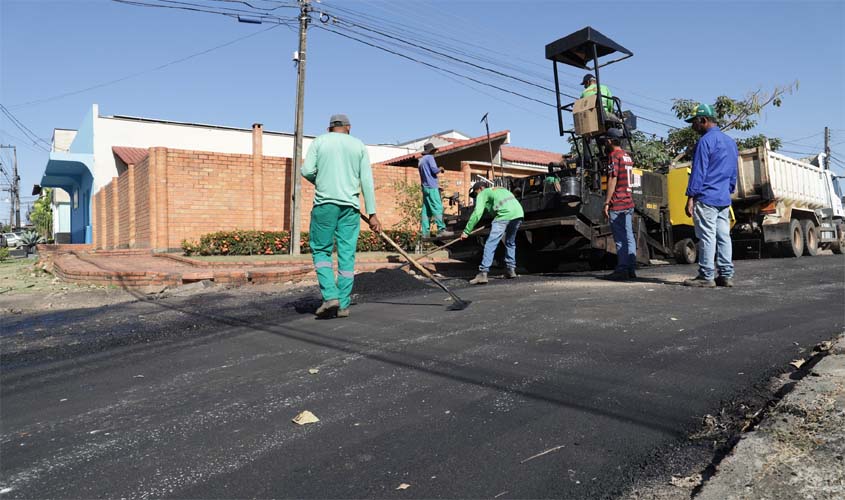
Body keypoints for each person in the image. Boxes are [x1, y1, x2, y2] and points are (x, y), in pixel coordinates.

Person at [301, 114, 382, 319]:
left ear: (329, 128)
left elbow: (306, 170)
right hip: (350, 208)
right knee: (347, 254)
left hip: (325, 205)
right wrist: (372, 214)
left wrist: (321, 181)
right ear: (349, 127)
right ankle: (343, 304)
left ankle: (330, 296)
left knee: (321, 250)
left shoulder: (320, 141)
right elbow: (366, 181)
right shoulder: (358, 145)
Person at [682, 104, 738, 288]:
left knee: (707, 236)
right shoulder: (730, 142)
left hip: (706, 197)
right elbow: (733, 172)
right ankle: (726, 275)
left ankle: (706, 276)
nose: (693, 126)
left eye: (694, 122)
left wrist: (691, 196)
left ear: (704, 120)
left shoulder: (705, 142)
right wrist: (727, 190)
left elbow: (698, 172)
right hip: (723, 198)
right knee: (724, 236)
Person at [460, 182, 525, 284]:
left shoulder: (483, 193)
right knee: (510, 242)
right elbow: (498, 206)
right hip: (518, 214)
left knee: (490, 244)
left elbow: (477, 213)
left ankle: (483, 273)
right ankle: (511, 270)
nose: (477, 197)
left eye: (476, 193)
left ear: (480, 188)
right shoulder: (501, 189)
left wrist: (466, 231)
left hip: (503, 216)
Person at [602, 128, 637, 280]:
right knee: (629, 236)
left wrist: (607, 202)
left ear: (610, 141)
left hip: (618, 202)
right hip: (628, 201)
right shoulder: (627, 156)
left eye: (606, 140)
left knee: (620, 238)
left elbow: (612, 178)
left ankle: (622, 269)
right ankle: (631, 268)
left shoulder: (614, 156)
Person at [418, 142, 453, 239]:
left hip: (425, 188)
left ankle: (425, 233)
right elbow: (434, 170)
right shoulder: (430, 158)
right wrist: (440, 168)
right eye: (434, 151)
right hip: (431, 188)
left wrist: (436, 187)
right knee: (438, 208)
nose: (434, 153)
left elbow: (426, 176)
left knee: (426, 211)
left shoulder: (421, 161)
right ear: (431, 151)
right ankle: (441, 230)